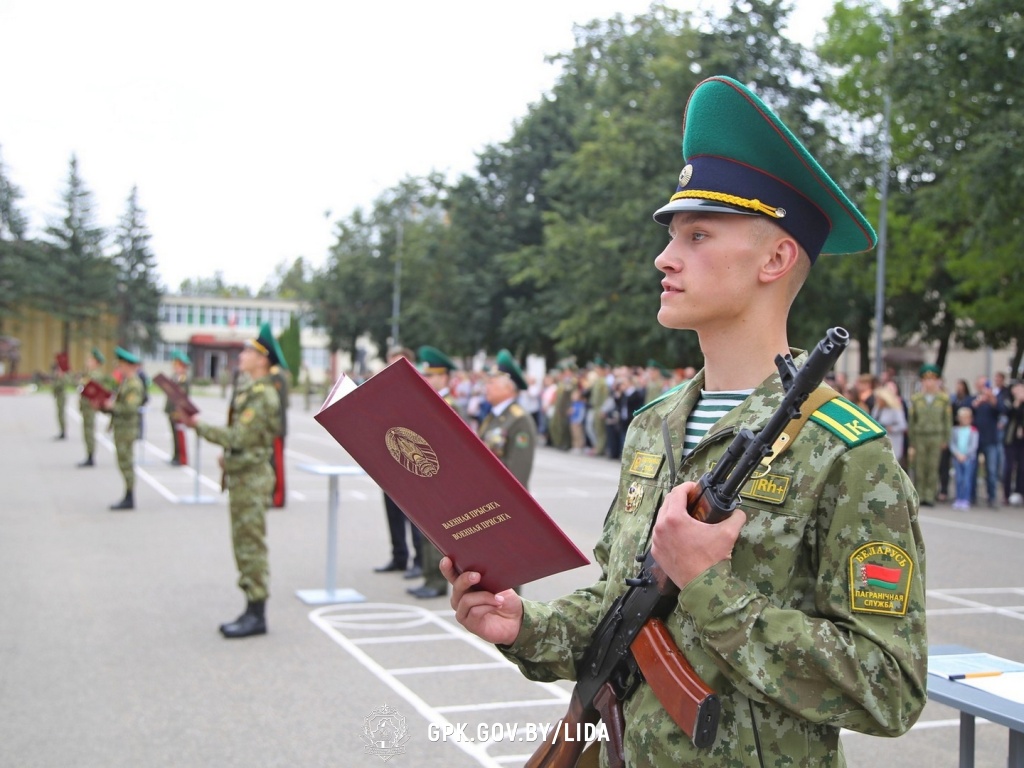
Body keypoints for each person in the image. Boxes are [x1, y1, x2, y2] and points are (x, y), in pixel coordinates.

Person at [442, 75, 926, 767]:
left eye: (699, 234)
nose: (666, 257)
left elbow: (891, 687)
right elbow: (620, 605)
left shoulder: (844, 454)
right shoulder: (655, 427)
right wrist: (525, 627)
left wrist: (711, 589)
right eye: (673, 235)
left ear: (777, 258)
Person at [179, 323, 282, 638]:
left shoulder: (262, 395)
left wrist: (199, 425)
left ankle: (257, 613)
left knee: (250, 546)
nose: (243, 355)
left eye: (250, 351)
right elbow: (246, 442)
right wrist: (231, 457)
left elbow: (241, 435)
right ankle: (251, 607)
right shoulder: (251, 391)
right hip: (243, 475)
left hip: (251, 480)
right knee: (243, 544)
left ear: (263, 360)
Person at [406, 345, 463, 599]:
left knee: (438, 536)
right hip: (425, 476)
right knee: (426, 531)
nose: (425, 379)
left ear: (443, 377)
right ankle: (429, 577)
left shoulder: (450, 405)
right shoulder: (429, 401)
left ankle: (437, 582)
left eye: (430, 375)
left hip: (443, 479)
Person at [374, 347, 425, 580]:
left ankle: (420, 561)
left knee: (415, 517)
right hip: (390, 463)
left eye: (398, 364)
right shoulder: (384, 394)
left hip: (413, 463)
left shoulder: (419, 393)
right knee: (392, 513)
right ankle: (399, 556)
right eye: (390, 364)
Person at [103, 347, 145, 510]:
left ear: (128, 365)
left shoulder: (134, 384)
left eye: (120, 365)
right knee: (123, 462)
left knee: (126, 462)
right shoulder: (126, 382)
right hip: (122, 428)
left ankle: (129, 497)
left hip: (127, 429)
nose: (118, 368)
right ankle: (128, 495)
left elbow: (130, 408)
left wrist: (113, 406)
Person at [908, 364, 952, 507]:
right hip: (921, 436)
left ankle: (930, 495)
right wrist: (912, 440)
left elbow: (947, 421)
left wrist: (946, 439)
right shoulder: (916, 399)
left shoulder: (943, 399)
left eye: (932, 380)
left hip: (936, 436)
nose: (929, 383)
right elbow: (912, 422)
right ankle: (919, 495)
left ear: (937, 381)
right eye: (926, 380)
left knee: (933, 467)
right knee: (920, 467)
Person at [971, 375, 1004, 507]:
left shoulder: (993, 400)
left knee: (991, 470)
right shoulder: (973, 399)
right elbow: (965, 412)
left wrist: (991, 399)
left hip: (990, 440)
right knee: (973, 470)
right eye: (980, 385)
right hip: (974, 440)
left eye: (985, 385)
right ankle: (972, 496)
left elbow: (1002, 410)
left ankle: (992, 497)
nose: (982, 387)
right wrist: (977, 403)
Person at [77, 347, 106, 467]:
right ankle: (89, 454)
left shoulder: (95, 375)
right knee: (86, 431)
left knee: (89, 431)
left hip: (90, 407)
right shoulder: (88, 374)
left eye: (90, 359)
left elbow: (94, 391)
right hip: (86, 407)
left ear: (96, 362)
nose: (87, 361)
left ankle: (90, 456)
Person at [268, 354, 289, 507]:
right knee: (271, 462)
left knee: (277, 464)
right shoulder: (273, 375)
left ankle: (278, 497)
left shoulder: (277, 376)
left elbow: (280, 405)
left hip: (276, 428)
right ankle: (272, 494)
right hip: (271, 428)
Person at [164, 350, 191, 466]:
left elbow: (182, 396)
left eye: (178, 366)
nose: (175, 368)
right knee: (174, 435)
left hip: (178, 412)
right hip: (171, 411)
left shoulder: (183, 380)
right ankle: (175, 455)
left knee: (179, 435)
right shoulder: (175, 378)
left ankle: (181, 458)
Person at [872, 381, 908, 467]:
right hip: (879, 442)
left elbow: (903, 425)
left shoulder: (895, 409)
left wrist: (891, 428)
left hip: (893, 441)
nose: (877, 400)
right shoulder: (877, 408)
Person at [950, 406, 979, 511]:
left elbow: (973, 446)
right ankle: (958, 498)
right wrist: (957, 454)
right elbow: (952, 443)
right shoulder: (955, 430)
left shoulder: (973, 430)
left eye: (966, 418)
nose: (964, 420)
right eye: (962, 418)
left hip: (968, 458)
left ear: (970, 419)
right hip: (957, 458)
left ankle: (965, 499)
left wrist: (965, 455)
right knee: (958, 479)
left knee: (966, 479)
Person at [1004, 380, 1024, 505]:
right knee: (1009, 467)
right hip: (1011, 438)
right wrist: (1017, 402)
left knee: (1022, 467)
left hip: (1022, 440)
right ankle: (1007, 494)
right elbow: (1009, 414)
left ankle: (1019, 492)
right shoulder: (1009, 400)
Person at [52, 352, 70, 440]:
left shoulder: (62, 373)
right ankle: (62, 430)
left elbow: (61, 384)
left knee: (61, 414)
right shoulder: (58, 371)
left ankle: (63, 431)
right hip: (59, 396)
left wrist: (59, 377)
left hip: (61, 396)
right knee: (59, 414)